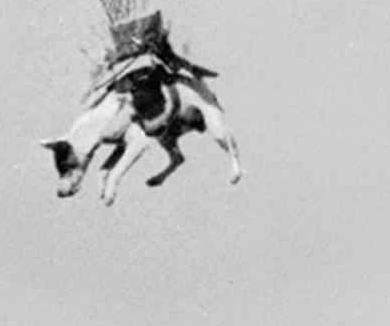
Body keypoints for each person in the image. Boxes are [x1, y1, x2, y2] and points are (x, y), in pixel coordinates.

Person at [43, 12, 242, 203]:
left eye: (71, 169)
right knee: (161, 135)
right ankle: (173, 163)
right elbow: (126, 141)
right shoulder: (97, 131)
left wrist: (113, 178)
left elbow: (138, 142)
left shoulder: (100, 129)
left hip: (178, 92)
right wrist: (105, 172)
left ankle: (235, 161)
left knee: (217, 130)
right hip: (154, 105)